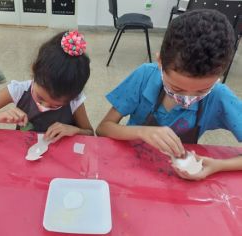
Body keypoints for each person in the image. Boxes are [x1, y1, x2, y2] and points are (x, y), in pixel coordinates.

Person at [96, 9, 242, 180]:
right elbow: (103, 128)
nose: (187, 99)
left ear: (220, 76)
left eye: (202, 91)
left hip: (176, 179)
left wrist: (218, 166)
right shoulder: (144, 77)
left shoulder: (219, 97)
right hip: (128, 168)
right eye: (177, 88)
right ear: (160, 61)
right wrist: (141, 132)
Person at [0, 30, 94, 142]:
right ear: (34, 71)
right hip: (26, 155)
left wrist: (76, 130)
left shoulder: (74, 99)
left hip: (61, 161)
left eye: (54, 105)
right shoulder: (18, 90)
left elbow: (90, 134)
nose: (44, 106)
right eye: (40, 98)